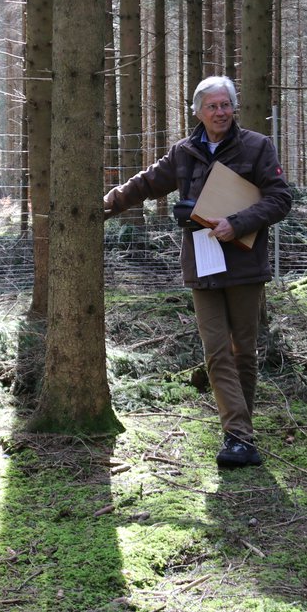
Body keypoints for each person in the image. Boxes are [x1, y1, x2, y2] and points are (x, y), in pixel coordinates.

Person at [104, 76, 292, 468]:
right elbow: (149, 182)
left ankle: (240, 433)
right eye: (212, 106)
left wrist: (236, 223)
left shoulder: (257, 146)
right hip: (202, 262)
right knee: (216, 350)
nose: (221, 112)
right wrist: (110, 202)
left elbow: (280, 198)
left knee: (244, 351)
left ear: (234, 108)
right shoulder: (184, 151)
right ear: (197, 112)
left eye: (226, 105)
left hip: (244, 263)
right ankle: (239, 435)